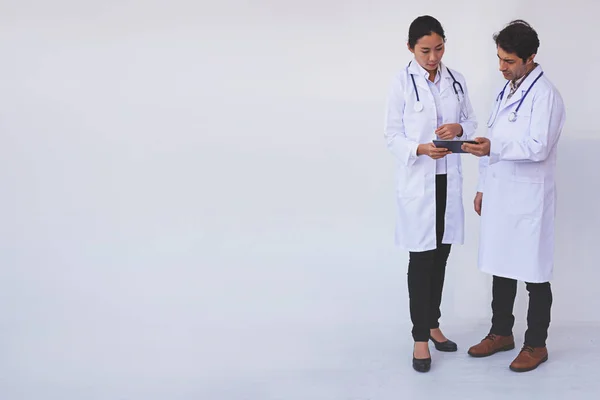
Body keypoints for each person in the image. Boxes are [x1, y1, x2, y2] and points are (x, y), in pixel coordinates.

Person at [462, 20, 566, 372]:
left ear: (530, 57)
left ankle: (536, 344)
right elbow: (493, 141)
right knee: (501, 266)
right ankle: (501, 333)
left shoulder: (546, 95)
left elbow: (538, 147)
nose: (501, 67)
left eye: (508, 61)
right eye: (499, 59)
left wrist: (495, 147)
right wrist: (481, 187)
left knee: (534, 273)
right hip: (500, 192)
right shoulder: (505, 89)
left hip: (528, 199)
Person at [384, 15, 477, 373]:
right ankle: (420, 338)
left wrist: (459, 128)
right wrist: (420, 149)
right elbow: (392, 136)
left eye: (439, 48)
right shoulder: (401, 83)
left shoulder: (456, 80)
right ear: (411, 48)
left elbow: (471, 122)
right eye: (425, 50)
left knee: (441, 256)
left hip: (447, 181)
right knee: (421, 260)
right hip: (419, 183)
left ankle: (434, 323)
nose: (433, 57)